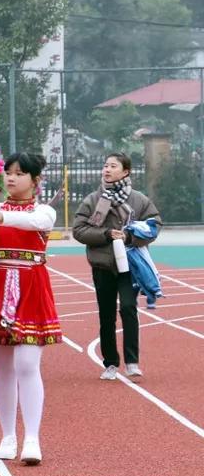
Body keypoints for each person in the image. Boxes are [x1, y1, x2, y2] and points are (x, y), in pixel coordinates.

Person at [0, 152, 59, 465]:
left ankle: (31, 437)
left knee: (26, 364)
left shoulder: (44, 211)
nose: (11, 178)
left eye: (20, 173)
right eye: (8, 172)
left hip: (31, 289)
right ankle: (8, 436)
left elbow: (33, 222)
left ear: (34, 180)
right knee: (3, 367)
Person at [72, 152, 161, 380]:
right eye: (105, 165)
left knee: (129, 308)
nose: (107, 170)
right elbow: (79, 230)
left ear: (126, 171)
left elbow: (154, 224)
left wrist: (131, 237)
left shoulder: (139, 200)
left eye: (113, 166)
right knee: (106, 314)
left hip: (130, 265)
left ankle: (132, 362)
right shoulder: (93, 199)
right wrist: (106, 234)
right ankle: (110, 363)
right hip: (103, 265)